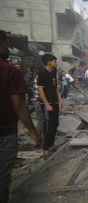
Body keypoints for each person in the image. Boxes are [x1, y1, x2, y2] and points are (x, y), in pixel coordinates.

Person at [0, 30, 42, 203]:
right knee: (2, 180)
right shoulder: (9, 70)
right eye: (6, 43)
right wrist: (33, 132)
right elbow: (18, 105)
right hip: (4, 133)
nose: (9, 47)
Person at [37, 53, 64, 159]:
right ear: (49, 62)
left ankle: (51, 144)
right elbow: (40, 89)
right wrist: (47, 104)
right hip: (47, 103)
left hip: (55, 102)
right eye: (55, 61)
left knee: (55, 124)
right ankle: (45, 148)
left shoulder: (53, 72)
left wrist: (60, 99)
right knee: (49, 126)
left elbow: (56, 87)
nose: (56, 63)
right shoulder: (42, 72)